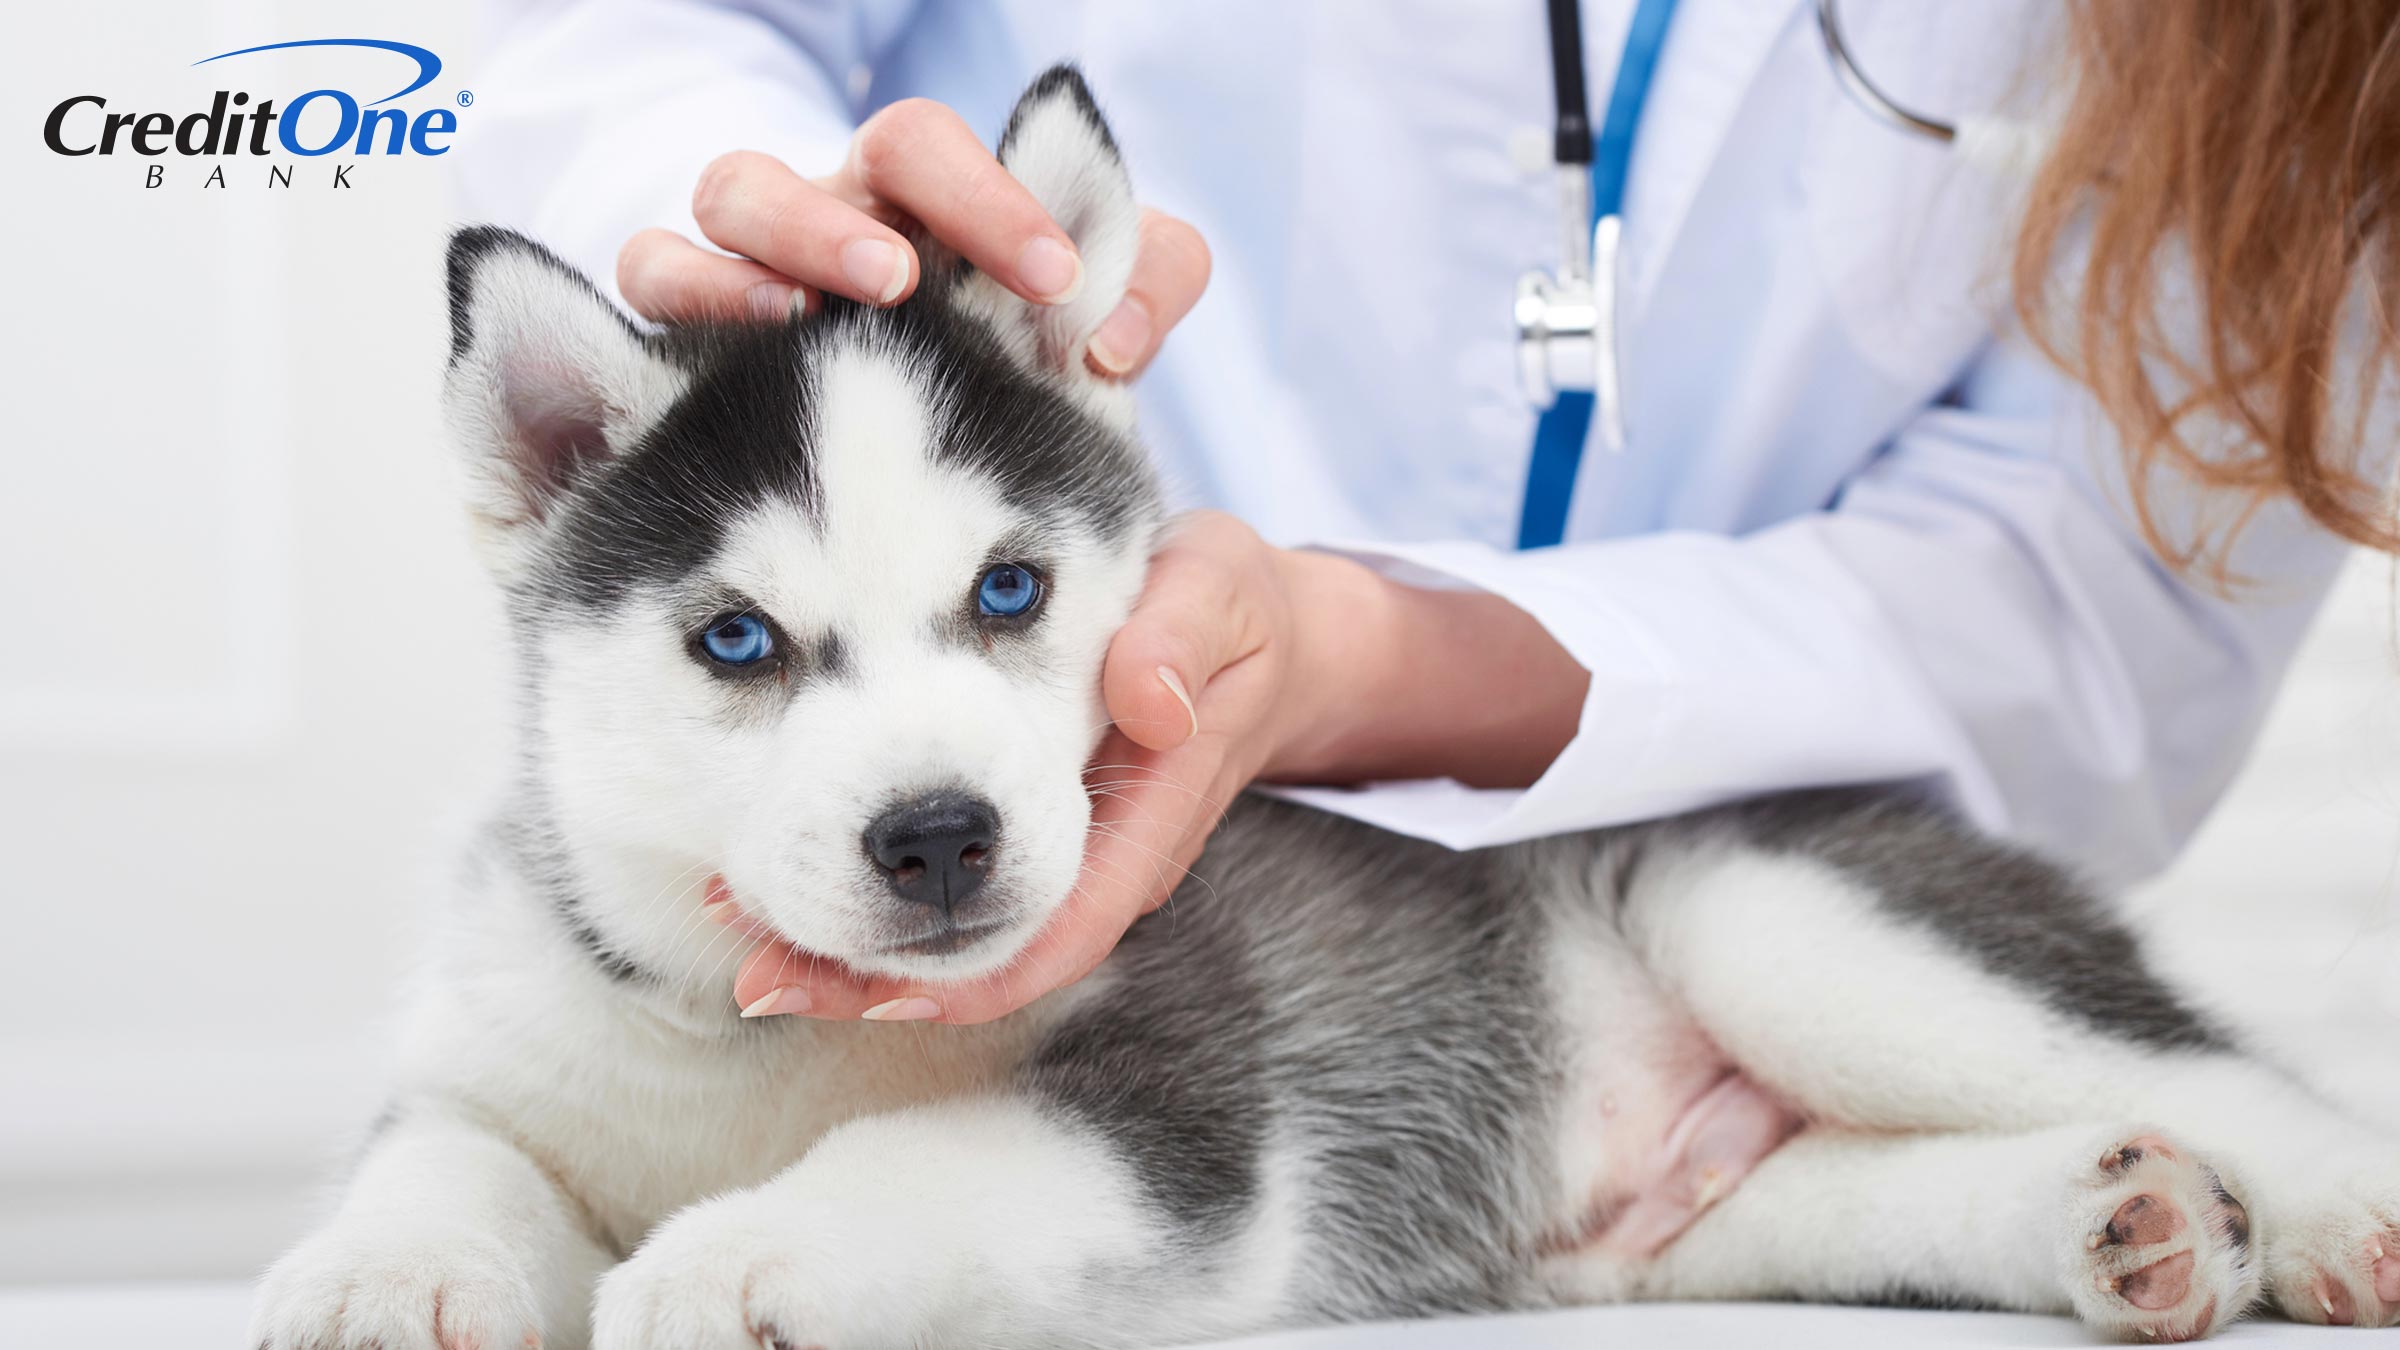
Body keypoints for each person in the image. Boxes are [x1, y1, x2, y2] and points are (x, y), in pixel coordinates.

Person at [459, 1, 2400, 1025]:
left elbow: (2094, 609)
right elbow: (618, 25)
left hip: (1750, 955)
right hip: (1026, 958)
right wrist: (782, 286)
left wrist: (1367, 657)